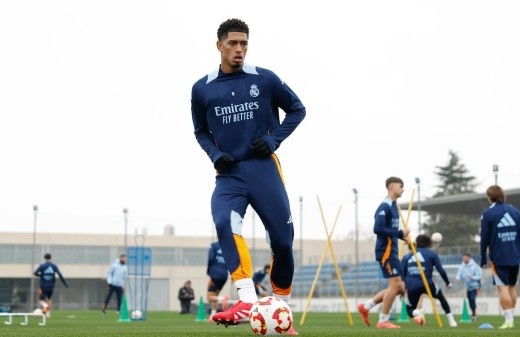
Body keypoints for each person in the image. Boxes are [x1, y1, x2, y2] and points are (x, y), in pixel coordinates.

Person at [191, 18, 305, 335]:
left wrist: (273, 139)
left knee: (283, 243)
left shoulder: (265, 79)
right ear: (219, 45)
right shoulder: (202, 88)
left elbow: (297, 109)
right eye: (233, 43)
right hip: (229, 175)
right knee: (225, 221)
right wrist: (215, 155)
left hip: (263, 169)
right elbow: (200, 131)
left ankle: (281, 309)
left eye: (244, 44)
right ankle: (245, 299)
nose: (239, 49)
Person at [357, 176, 409, 329]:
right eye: (401, 186)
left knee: (398, 287)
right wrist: (399, 233)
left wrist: (400, 236)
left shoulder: (394, 206)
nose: (403, 189)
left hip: (392, 251)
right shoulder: (385, 206)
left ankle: (366, 306)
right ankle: (383, 320)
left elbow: (389, 230)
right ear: (392, 186)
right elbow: (377, 229)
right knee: (396, 286)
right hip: (385, 252)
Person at [480, 185, 520, 329]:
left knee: (502, 288)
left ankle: (508, 321)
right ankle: (511, 320)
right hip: (515, 256)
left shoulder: (488, 213)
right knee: (512, 288)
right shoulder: (515, 211)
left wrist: (483, 258)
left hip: (498, 257)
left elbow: (484, 238)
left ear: (489, 197)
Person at [401, 234, 458, 327]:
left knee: (409, 309)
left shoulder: (407, 256)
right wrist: (447, 282)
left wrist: (404, 288)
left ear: (417, 243)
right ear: (429, 243)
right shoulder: (432, 254)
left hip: (412, 286)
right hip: (427, 283)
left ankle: (417, 312)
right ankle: (451, 320)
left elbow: (402, 274)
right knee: (441, 298)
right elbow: (441, 270)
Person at [33, 253, 68, 318]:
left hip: (43, 285)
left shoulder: (42, 266)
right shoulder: (54, 266)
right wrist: (65, 283)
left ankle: (45, 307)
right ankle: (48, 314)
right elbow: (60, 275)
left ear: (44, 258)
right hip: (51, 285)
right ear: (50, 258)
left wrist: (41, 275)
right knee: (49, 299)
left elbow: (35, 273)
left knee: (41, 300)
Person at [454, 253, 481, 322]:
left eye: (466, 257)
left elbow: (479, 276)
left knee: (472, 299)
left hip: (475, 286)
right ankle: (474, 313)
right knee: (470, 301)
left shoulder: (475, 266)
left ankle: (474, 314)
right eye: (463, 258)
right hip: (468, 286)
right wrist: (457, 278)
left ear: (469, 258)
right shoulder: (462, 266)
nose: (464, 259)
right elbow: (459, 274)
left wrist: (472, 277)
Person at [206, 241, 229, 319]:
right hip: (224, 275)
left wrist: (209, 274)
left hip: (215, 274)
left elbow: (210, 258)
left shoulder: (213, 245)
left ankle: (223, 299)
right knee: (215, 296)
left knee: (209, 298)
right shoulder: (228, 246)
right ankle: (213, 316)